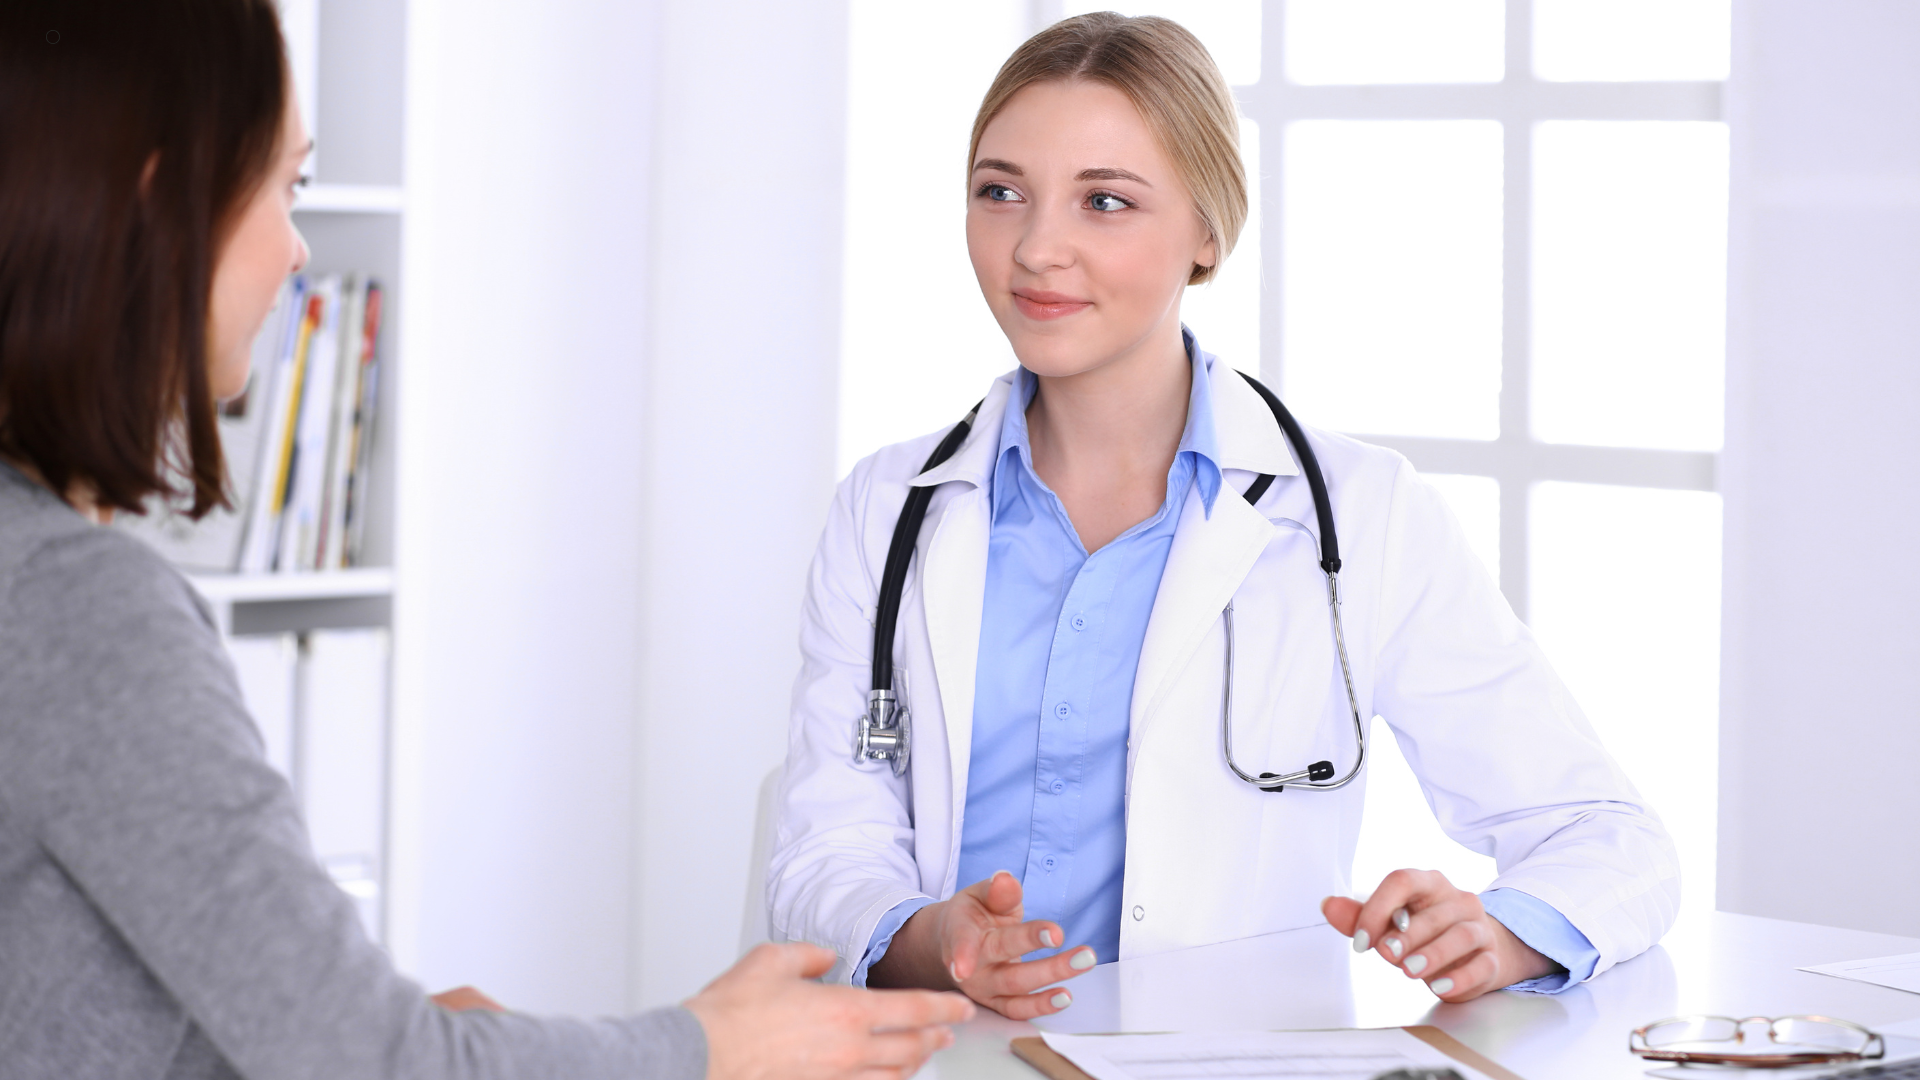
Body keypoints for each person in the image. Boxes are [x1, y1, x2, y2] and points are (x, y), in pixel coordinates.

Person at [0, 3, 970, 1078]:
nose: (295, 248)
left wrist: (428, 1040)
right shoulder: (75, 609)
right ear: (156, 204)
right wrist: (710, 1046)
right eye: (285, 186)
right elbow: (378, 1064)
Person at [768, 12, 1679, 1020]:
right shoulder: (890, 512)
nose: (1035, 248)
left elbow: (1610, 835)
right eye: (1000, 192)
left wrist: (1506, 927)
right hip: (947, 1056)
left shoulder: (1361, 517)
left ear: (1207, 230)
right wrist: (926, 937)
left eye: (1104, 201)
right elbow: (823, 854)